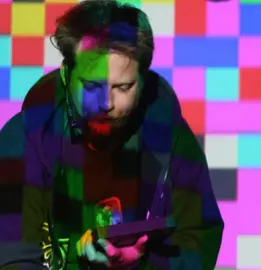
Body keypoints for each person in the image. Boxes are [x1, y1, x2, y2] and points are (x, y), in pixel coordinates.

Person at [0, 0, 224, 269]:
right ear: (66, 75)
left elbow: (199, 236)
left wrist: (139, 264)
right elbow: (12, 257)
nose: (106, 102)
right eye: (92, 85)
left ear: (142, 81)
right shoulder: (23, 139)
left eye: (123, 86)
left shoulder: (168, 134)